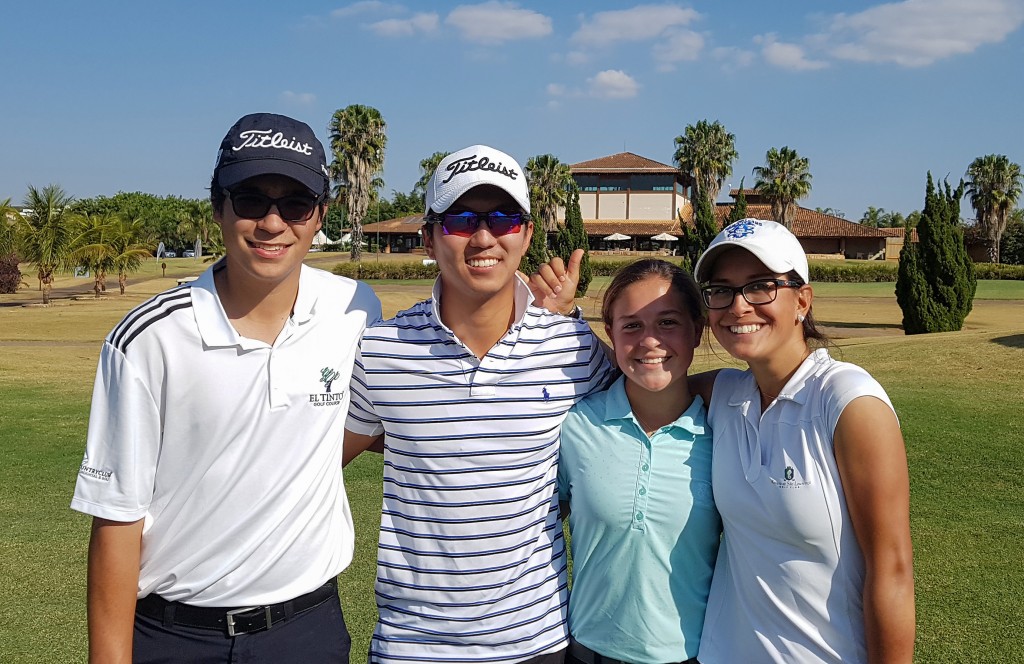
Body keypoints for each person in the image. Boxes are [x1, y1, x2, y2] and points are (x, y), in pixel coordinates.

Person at [71, 112, 381, 663]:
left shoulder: (354, 309)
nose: (272, 223)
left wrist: (532, 320)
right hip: (177, 634)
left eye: (295, 204)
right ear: (218, 207)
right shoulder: (150, 338)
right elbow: (117, 518)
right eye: (251, 200)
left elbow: (396, 413)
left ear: (320, 215)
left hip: (307, 630)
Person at [344, 144, 614, 664]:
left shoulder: (573, 348)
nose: (485, 237)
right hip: (411, 645)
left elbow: (652, 407)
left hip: (535, 641)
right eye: (462, 220)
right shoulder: (381, 350)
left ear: (527, 235)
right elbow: (321, 459)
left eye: (504, 219)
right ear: (429, 237)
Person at [691, 219, 915, 664]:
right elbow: (643, 370)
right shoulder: (724, 394)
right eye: (721, 290)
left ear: (802, 301)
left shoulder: (849, 402)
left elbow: (891, 572)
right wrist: (564, 320)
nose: (738, 306)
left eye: (761, 286)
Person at [556, 259, 720, 664]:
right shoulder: (577, 425)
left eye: (668, 322)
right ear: (610, 334)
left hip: (694, 654)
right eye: (631, 325)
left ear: (697, 330)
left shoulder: (724, 433)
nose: (650, 340)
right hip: (587, 652)